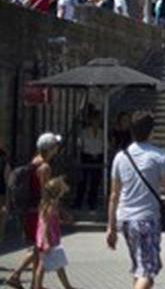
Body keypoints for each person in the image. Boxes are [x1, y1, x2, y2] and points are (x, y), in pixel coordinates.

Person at [106, 111, 165, 289]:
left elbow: (114, 195)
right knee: (147, 273)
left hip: (125, 218)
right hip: (146, 219)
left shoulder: (121, 157)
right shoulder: (159, 156)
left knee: (139, 268)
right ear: (152, 131)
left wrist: (111, 226)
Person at [4, 133, 61, 289]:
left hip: (28, 210)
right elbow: (45, 194)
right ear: (50, 148)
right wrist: (52, 214)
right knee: (40, 248)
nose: (57, 148)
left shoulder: (34, 162)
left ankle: (35, 284)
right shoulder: (45, 167)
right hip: (37, 212)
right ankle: (19, 276)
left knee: (37, 248)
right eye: (55, 145)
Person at [32, 177, 75, 289]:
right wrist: (46, 241)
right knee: (44, 265)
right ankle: (38, 286)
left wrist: (60, 220)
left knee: (57, 263)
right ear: (57, 192)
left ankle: (66, 286)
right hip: (49, 238)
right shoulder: (52, 204)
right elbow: (46, 224)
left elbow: (47, 220)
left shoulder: (45, 202)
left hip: (44, 237)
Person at [74, 110, 104, 212]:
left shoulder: (102, 132)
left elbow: (105, 145)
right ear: (91, 120)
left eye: (98, 119)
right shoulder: (84, 131)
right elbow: (80, 146)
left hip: (98, 157)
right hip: (86, 156)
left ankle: (92, 202)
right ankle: (79, 202)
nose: (97, 121)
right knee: (83, 180)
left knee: (95, 181)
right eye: (95, 119)